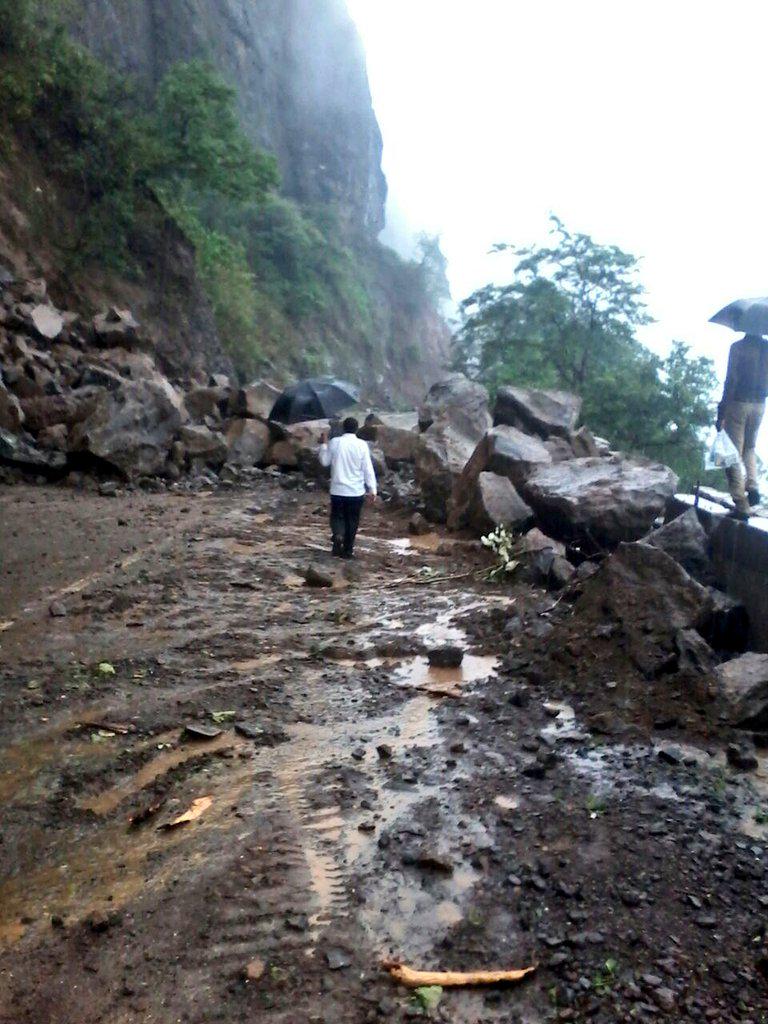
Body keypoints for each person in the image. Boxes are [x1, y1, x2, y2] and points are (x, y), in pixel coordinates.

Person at [717, 333, 768, 519]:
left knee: (730, 453)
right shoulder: (766, 348)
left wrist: (721, 410)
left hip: (738, 403)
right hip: (760, 404)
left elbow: (731, 380)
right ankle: (753, 486)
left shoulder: (737, 347)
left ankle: (741, 504)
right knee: (750, 447)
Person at [318, 416, 377, 558]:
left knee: (337, 516)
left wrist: (324, 444)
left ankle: (338, 535)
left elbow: (324, 462)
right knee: (352, 520)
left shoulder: (335, 442)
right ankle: (348, 550)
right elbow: (367, 469)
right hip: (355, 491)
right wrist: (372, 490)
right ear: (356, 429)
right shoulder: (362, 445)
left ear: (343, 428)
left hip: (337, 490)